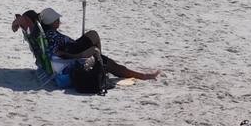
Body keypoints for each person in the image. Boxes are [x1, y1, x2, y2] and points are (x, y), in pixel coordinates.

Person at [12, 8, 159, 81]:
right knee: (95, 39)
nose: (59, 21)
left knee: (94, 38)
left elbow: (27, 18)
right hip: (69, 55)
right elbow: (57, 52)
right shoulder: (48, 35)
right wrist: (72, 54)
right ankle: (142, 76)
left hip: (69, 50)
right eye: (57, 19)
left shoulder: (41, 32)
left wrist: (17, 22)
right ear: (51, 22)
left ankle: (100, 63)